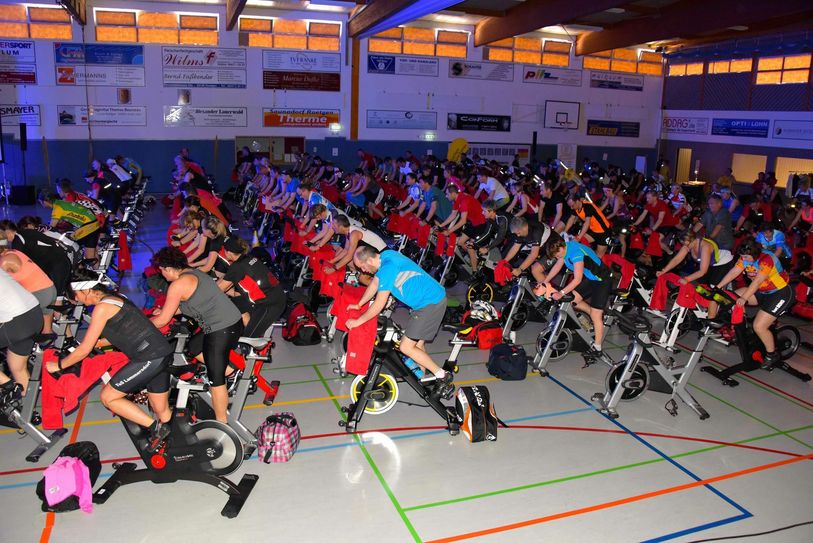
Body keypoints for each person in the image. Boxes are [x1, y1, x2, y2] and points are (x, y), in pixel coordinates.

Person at [47, 275, 173, 451]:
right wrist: (98, 343)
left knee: (108, 397)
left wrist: (59, 365)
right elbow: (127, 330)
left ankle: (157, 429)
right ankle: (175, 445)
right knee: (161, 410)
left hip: (149, 358)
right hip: (161, 352)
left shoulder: (102, 308)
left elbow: (84, 350)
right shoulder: (117, 298)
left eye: (76, 295)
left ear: (86, 290)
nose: (77, 300)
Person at [150, 247, 243, 423]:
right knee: (194, 346)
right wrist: (165, 311)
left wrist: (143, 325)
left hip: (221, 328)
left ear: (167, 268)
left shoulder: (178, 285)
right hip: (232, 321)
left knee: (216, 380)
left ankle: (222, 423)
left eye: (161, 270)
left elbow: (162, 321)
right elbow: (189, 303)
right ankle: (231, 372)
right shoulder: (195, 272)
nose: (162, 275)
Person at [347, 246, 453, 388]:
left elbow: (379, 303)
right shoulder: (385, 256)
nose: (363, 270)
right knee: (417, 344)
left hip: (430, 303)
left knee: (406, 347)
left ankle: (443, 375)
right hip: (426, 301)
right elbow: (375, 283)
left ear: (370, 260)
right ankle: (423, 378)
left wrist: (358, 321)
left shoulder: (387, 268)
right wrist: (359, 304)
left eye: (362, 266)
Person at [712, 239, 794, 367]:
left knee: (759, 326)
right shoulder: (745, 257)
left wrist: (744, 298)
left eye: (745, 257)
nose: (743, 259)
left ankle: (772, 355)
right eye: (742, 256)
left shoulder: (766, 259)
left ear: (754, 254)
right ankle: (741, 328)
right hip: (762, 292)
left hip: (780, 293)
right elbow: (734, 272)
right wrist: (718, 287)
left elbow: (757, 281)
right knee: (731, 297)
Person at [540, 239, 612, 358]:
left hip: (602, 280)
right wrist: (544, 282)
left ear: (562, 248)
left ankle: (597, 348)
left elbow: (577, 279)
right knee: (571, 301)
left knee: (595, 315)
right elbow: (557, 266)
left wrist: (561, 293)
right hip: (591, 279)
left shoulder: (575, 253)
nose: (557, 257)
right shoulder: (564, 249)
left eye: (557, 254)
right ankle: (593, 312)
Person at [218, 237, 287, 338]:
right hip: (274, 295)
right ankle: (249, 326)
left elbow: (219, 289)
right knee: (237, 303)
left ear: (229, 252)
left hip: (269, 305)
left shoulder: (236, 268)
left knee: (249, 338)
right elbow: (230, 284)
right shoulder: (248, 258)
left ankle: (255, 343)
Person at [0, 269, 44, 400]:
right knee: (17, 367)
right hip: (34, 314)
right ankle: (26, 407)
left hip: (17, 321)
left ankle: (8, 385)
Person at [0, 242, 56, 333]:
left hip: (40, 294)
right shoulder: (14, 251)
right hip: (50, 289)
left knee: (11, 317)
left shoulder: (4, 261)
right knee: (46, 332)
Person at [41, 186, 105, 261]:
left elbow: (51, 228)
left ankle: (81, 265)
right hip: (92, 223)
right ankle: (97, 268)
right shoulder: (60, 202)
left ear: (44, 201)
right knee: (92, 254)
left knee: (74, 247)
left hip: (88, 226)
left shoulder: (57, 209)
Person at [657, 230, 734, 288]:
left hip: (723, 263)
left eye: (687, 244)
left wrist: (687, 279)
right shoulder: (688, 244)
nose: (685, 246)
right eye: (683, 244)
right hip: (709, 263)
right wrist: (663, 271)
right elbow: (676, 259)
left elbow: (703, 271)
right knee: (697, 282)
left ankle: (727, 285)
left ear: (693, 240)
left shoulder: (705, 246)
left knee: (713, 287)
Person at [439, 185, 487, 271]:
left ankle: (474, 270)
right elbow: (453, 215)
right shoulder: (457, 199)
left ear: (453, 193)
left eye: (447, 194)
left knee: (470, 248)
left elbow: (463, 221)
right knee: (460, 242)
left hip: (481, 224)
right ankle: (473, 256)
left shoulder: (464, 200)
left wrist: (449, 231)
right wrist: (441, 226)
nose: (446, 196)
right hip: (473, 223)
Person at [504, 216, 555, 283]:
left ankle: (546, 288)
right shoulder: (521, 229)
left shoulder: (536, 230)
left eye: (518, 233)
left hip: (554, 249)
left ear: (524, 227)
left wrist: (520, 270)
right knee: (522, 257)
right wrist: (504, 261)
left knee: (535, 270)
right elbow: (515, 247)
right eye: (516, 233)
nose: (518, 235)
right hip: (542, 248)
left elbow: (534, 254)